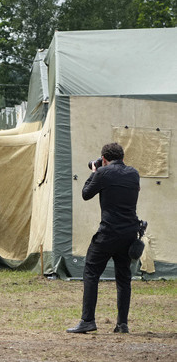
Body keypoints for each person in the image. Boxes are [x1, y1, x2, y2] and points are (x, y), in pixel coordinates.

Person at [67, 143, 140, 334]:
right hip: (130, 233)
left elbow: (85, 194)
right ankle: (122, 324)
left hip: (108, 232)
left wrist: (94, 171)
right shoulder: (134, 174)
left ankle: (87, 321)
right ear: (122, 157)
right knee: (124, 279)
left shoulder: (102, 174)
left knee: (91, 273)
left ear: (104, 159)